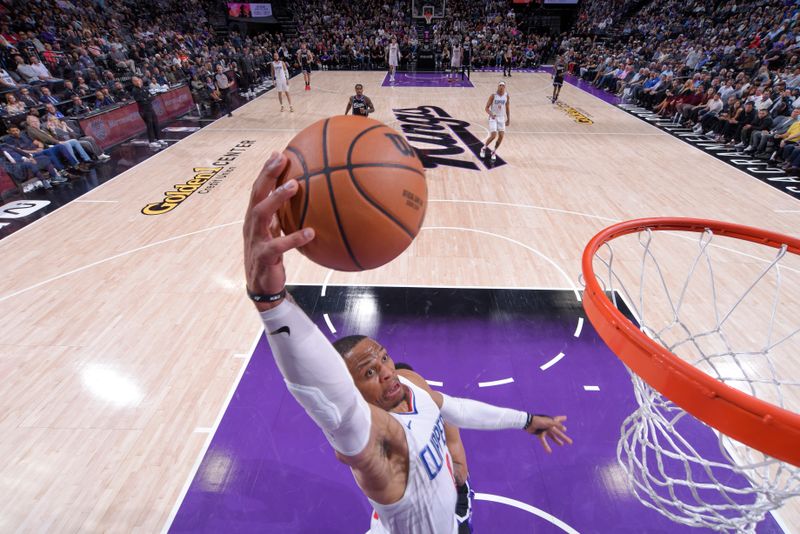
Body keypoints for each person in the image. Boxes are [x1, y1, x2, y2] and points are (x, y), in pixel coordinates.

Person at [242, 152, 571, 534]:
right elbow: (327, 394)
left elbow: (456, 409)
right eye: (368, 371)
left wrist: (526, 421)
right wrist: (271, 303)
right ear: (352, 389)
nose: (385, 371)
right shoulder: (379, 441)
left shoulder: (408, 384)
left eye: (382, 358)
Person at [131, 76, 165, 149]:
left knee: (155, 123)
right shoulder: (134, 90)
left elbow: (152, 97)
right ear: (133, 82)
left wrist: (147, 98)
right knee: (149, 125)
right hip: (144, 110)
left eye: (139, 80)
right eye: (136, 81)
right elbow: (141, 100)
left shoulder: (144, 88)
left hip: (150, 108)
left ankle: (158, 139)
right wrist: (147, 98)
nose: (138, 82)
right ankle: (151, 141)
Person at [480, 81, 510, 162]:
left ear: (505, 87)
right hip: (493, 117)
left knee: (501, 136)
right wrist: (491, 114)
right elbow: (486, 108)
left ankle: (494, 152)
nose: (501, 87)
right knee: (493, 135)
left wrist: (508, 119)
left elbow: (507, 108)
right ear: (498, 86)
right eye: (500, 85)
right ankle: (483, 148)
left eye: (503, 86)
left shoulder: (506, 96)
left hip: (502, 118)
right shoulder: (493, 96)